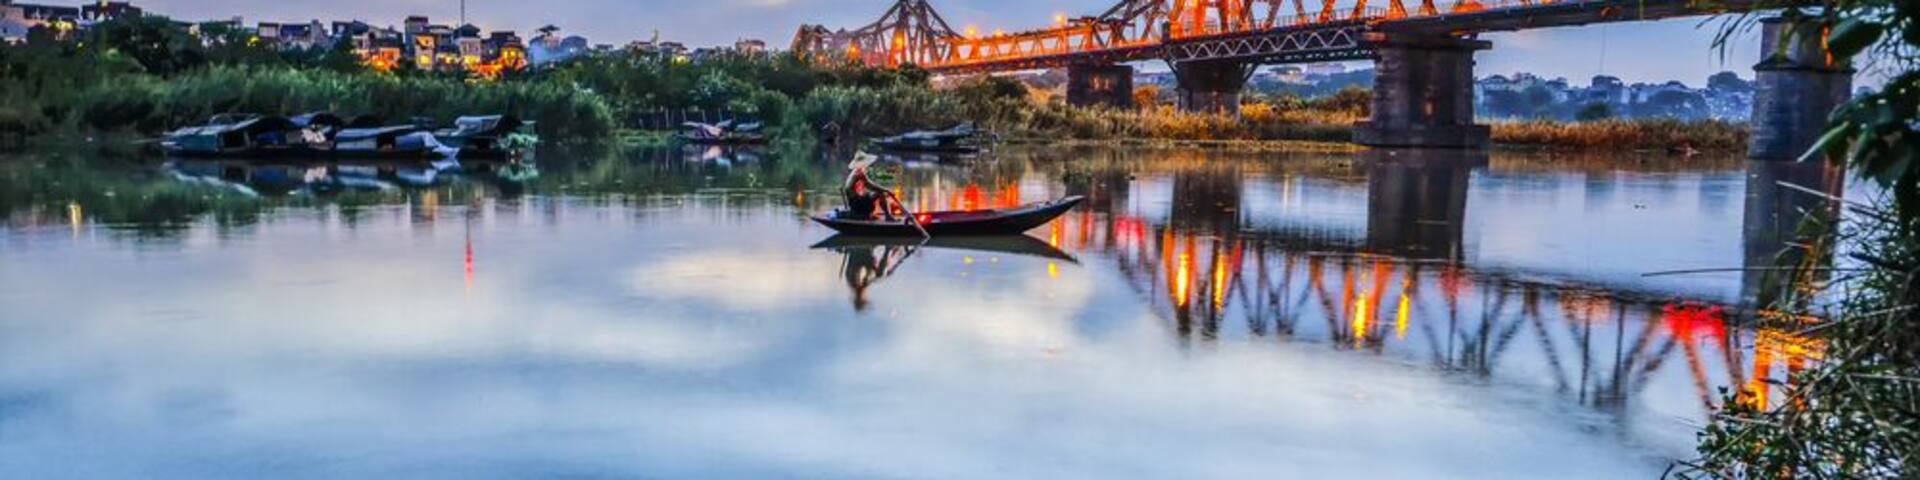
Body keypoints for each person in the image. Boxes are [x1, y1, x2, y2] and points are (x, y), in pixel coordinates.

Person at [843, 153, 896, 221]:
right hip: (856, 203)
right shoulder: (858, 173)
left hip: (856, 201)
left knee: (874, 193)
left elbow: (868, 186)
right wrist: (886, 190)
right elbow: (870, 185)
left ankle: (883, 215)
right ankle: (888, 216)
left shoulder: (857, 171)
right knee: (880, 193)